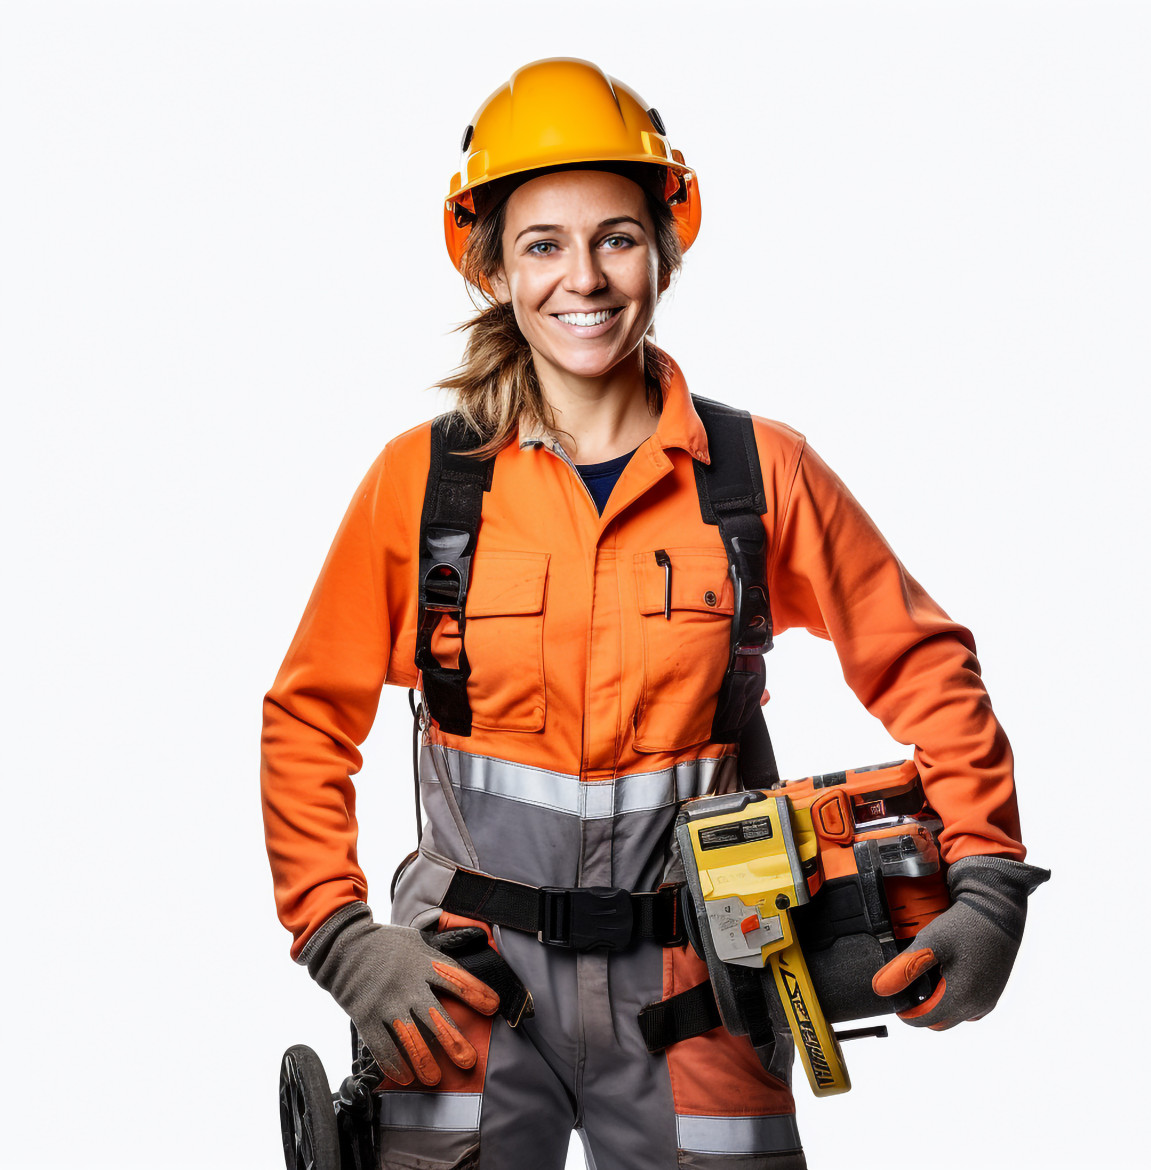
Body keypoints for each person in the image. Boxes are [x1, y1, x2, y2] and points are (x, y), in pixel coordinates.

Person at [261, 57, 1048, 1170]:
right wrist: (339, 935)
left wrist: (987, 882)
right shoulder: (425, 486)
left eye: (615, 237)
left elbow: (924, 666)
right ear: (490, 264)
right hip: (465, 1000)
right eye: (541, 243)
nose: (581, 278)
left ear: (664, 249)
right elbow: (306, 717)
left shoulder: (754, 475)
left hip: (706, 983)